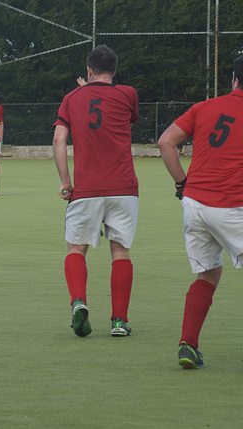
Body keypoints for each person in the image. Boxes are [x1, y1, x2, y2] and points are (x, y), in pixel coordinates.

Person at [158, 55, 243, 369]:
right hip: (232, 207)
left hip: (194, 205)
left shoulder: (205, 107)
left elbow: (166, 142)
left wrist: (182, 184)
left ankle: (188, 345)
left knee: (208, 273)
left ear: (234, 79)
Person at [52, 45, 139, 337]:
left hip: (86, 189)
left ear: (88, 70)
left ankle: (79, 302)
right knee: (121, 251)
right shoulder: (128, 94)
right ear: (114, 71)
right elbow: (122, 118)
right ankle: (119, 322)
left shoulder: (71, 99)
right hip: (124, 188)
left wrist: (66, 180)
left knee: (76, 248)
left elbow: (59, 140)